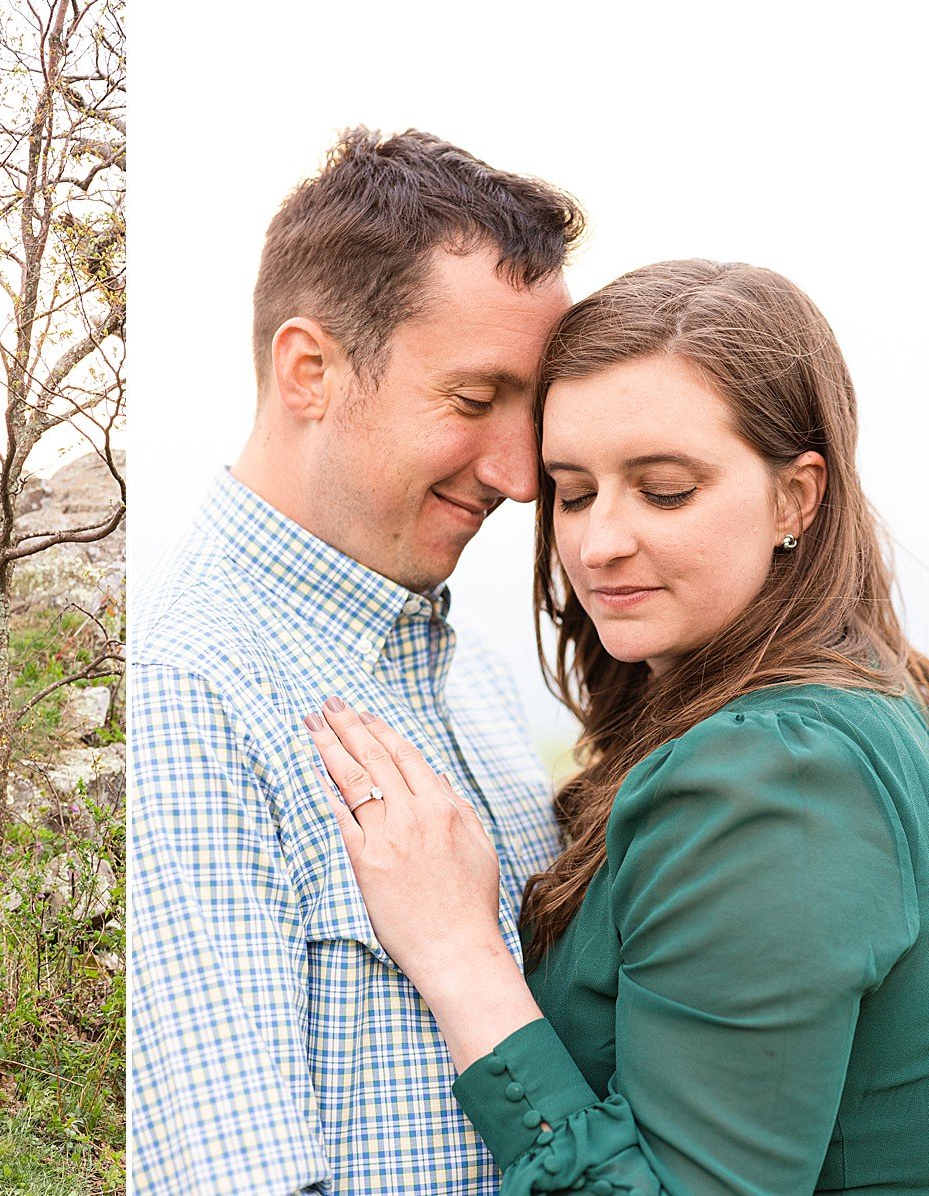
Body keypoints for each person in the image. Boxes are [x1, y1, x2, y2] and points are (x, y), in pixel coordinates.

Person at [309, 260, 929, 1193]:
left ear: (796, 498)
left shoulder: (776, 777)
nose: (599, 544)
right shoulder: (851, 695)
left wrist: (460, 956)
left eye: (665, 489)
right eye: (574, 490)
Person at [129, 129, 585, 1193]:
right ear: (310, 370)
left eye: (533, 411)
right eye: (473, 402)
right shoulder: (191, 692)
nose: (522, 476)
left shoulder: (466, 671)